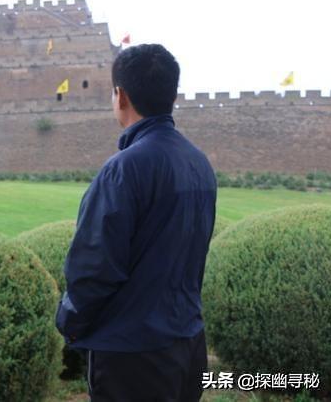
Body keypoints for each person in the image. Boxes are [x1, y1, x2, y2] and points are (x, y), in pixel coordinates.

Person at [55, 44, 217, 402]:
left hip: (133, 356)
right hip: (188, 344)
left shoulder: (124, 169)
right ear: (173, 95)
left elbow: (93, 268)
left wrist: (70, 324)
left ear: (121, 96)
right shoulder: (199, 162)